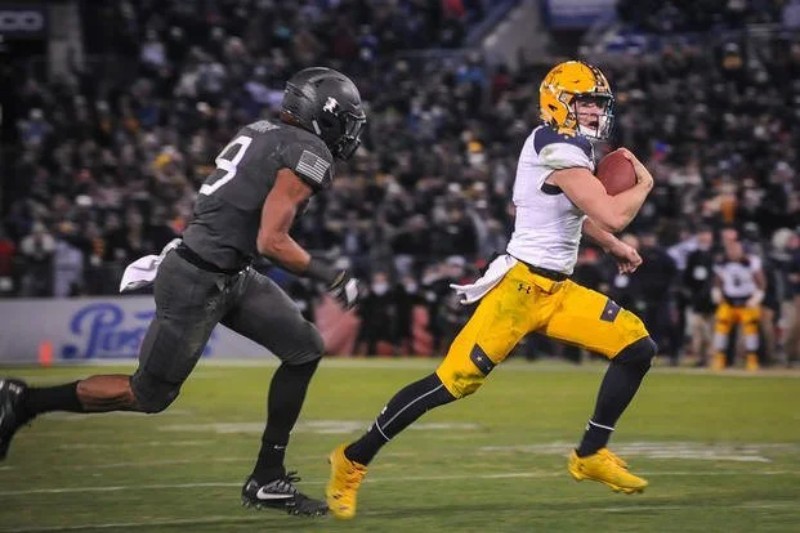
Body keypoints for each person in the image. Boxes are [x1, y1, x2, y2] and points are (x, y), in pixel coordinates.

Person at [0, 67, 367, 517]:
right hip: (198, 279)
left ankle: (267, 478)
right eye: (345, 120)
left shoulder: (262, 130)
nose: (349, 132)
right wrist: (333, 275)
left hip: (227, 271)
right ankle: (24, 401)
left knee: (304, 348)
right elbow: (271, 242)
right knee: (147, 395)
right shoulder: (308, 150)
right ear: (322, 114)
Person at [325, 60, 657, 520]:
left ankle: (590, 453)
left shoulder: (565, 145)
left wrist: (613, 246)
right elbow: (612, 213)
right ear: (557, 102)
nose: (594, 112)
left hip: (557, 290)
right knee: (451, 383)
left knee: (636, 347)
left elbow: (574, 215)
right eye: (584, 102)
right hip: (519, 291)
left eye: (598, 104)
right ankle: (352, 459)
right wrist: (645, 185)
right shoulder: (555, 145)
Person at [710, 238, 766, 370]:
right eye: (730, 249)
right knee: (720, 330)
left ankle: (752, 360)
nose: (733, 252)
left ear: (742, 250)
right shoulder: (722, 262)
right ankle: (719, 359)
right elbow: (718, 280)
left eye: (736, 249)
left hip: (747, 301)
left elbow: (761, 282)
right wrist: (716, 291)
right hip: (729, 301)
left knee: (751, 331)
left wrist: (757, 297)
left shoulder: (751, 261)